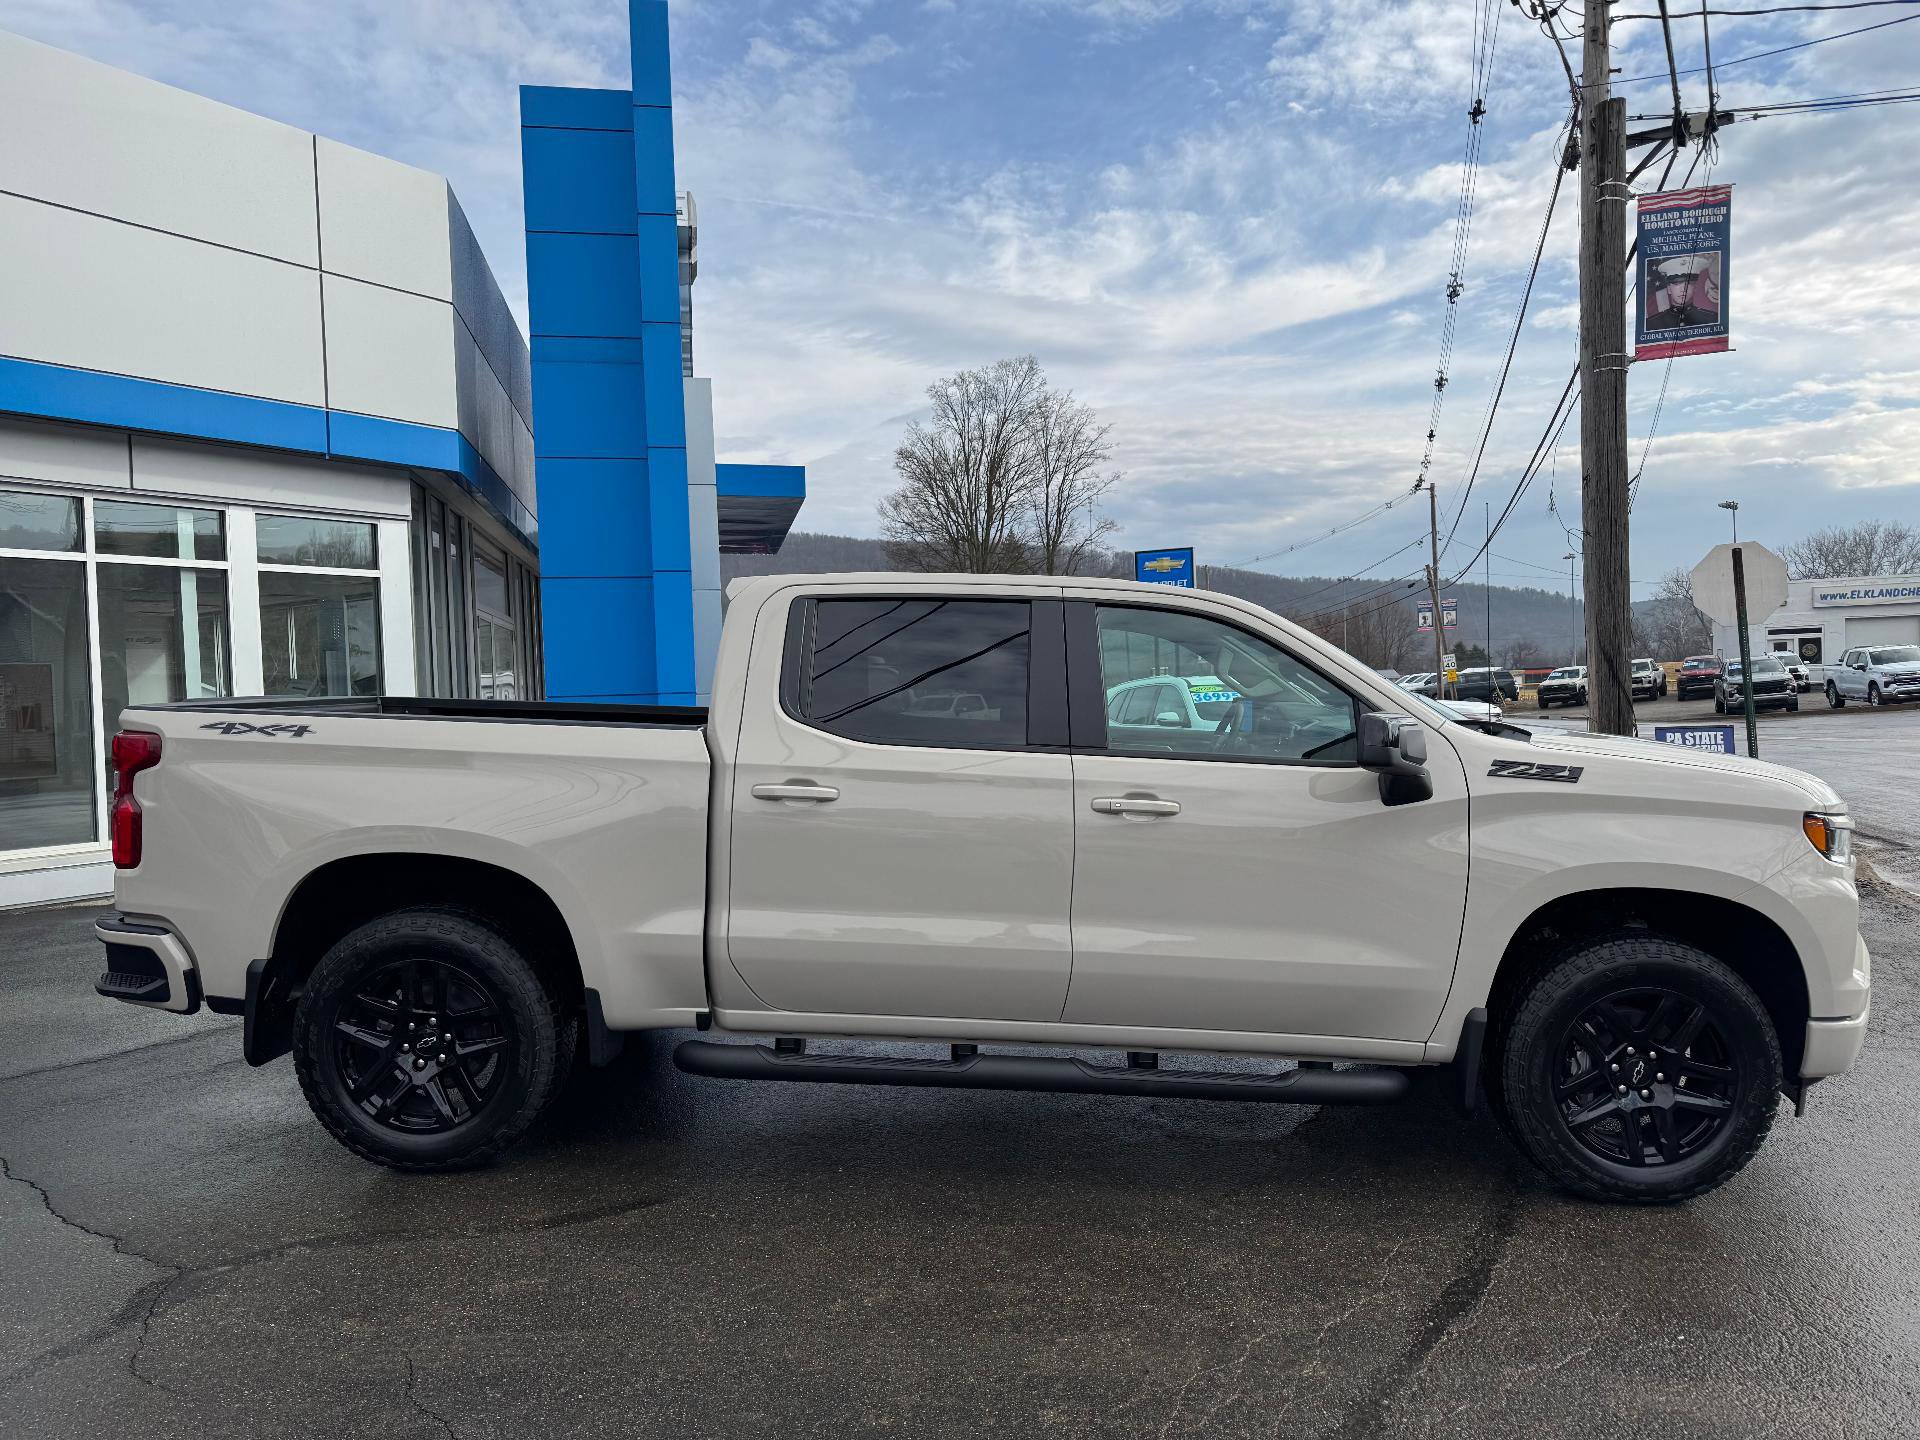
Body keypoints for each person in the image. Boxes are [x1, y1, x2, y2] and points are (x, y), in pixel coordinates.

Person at [1645, 256, 1719, 330]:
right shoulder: (1651, 324)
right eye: (1677, 283)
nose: (1683, 289)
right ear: (1669, 289)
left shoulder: (1712, 319)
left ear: (1695, 287)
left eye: (1688, 283)